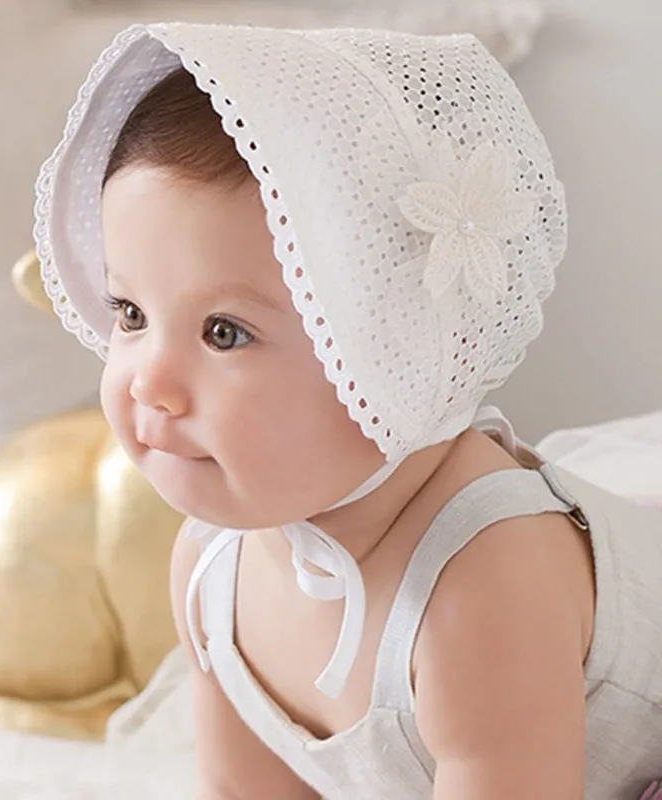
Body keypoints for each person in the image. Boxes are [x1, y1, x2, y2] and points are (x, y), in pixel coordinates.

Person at [34, 22, 662, 800]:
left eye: (224, 332)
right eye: (130, 314)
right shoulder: (212, 568)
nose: (149, 383)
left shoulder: (485, 584)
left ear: (392, 345)